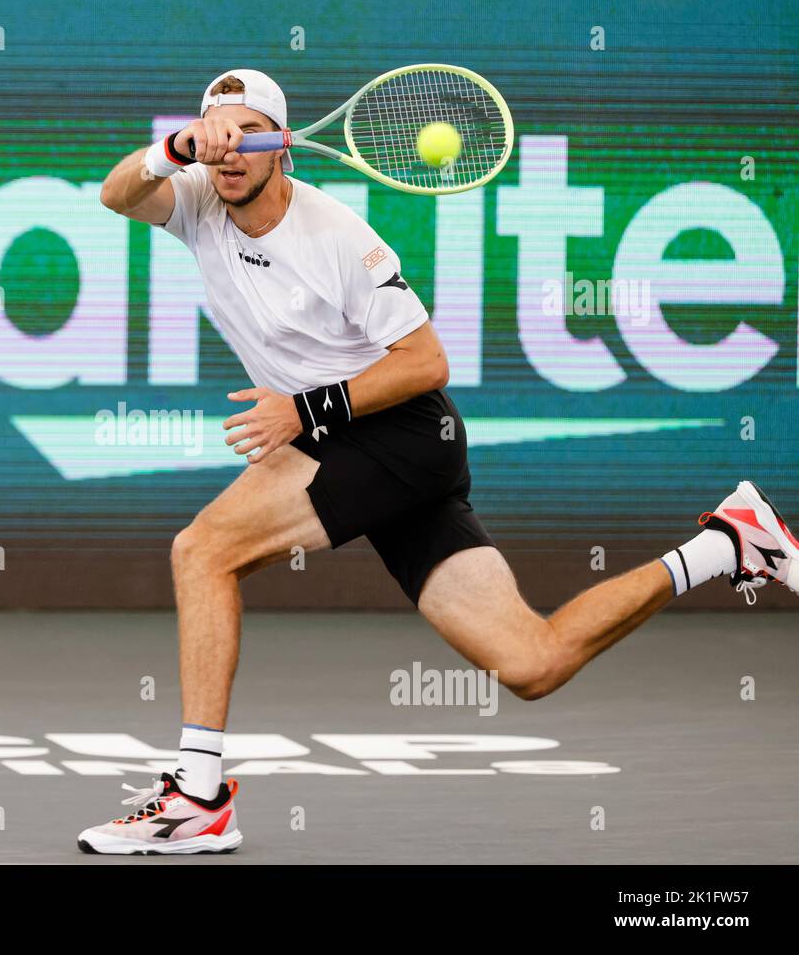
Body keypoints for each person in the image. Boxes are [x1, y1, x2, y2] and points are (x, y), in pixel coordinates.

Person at [77, 68, 798, 855]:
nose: (230, 151)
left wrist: (305, 410)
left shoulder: (337, 238)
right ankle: (728, 542)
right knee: (532, 661)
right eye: (218, 135)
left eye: (248, 134)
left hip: (399, 437)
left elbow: (426, 361)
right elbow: (117, 194)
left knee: (203, 551)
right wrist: (175, 146)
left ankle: (197, 794)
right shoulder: (198, 201)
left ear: (281, 147)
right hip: (360, 449)